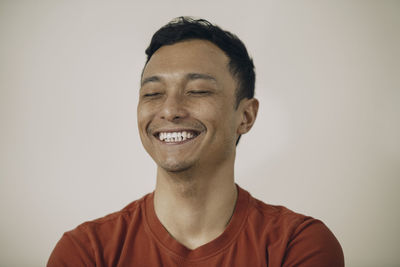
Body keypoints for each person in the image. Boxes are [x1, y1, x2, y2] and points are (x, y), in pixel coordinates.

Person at [48, 17, 344, 266]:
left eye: (198, 90)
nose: (170, 110)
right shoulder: (87, 252)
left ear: (246, 116)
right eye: (152, 94)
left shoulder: (298, 245)